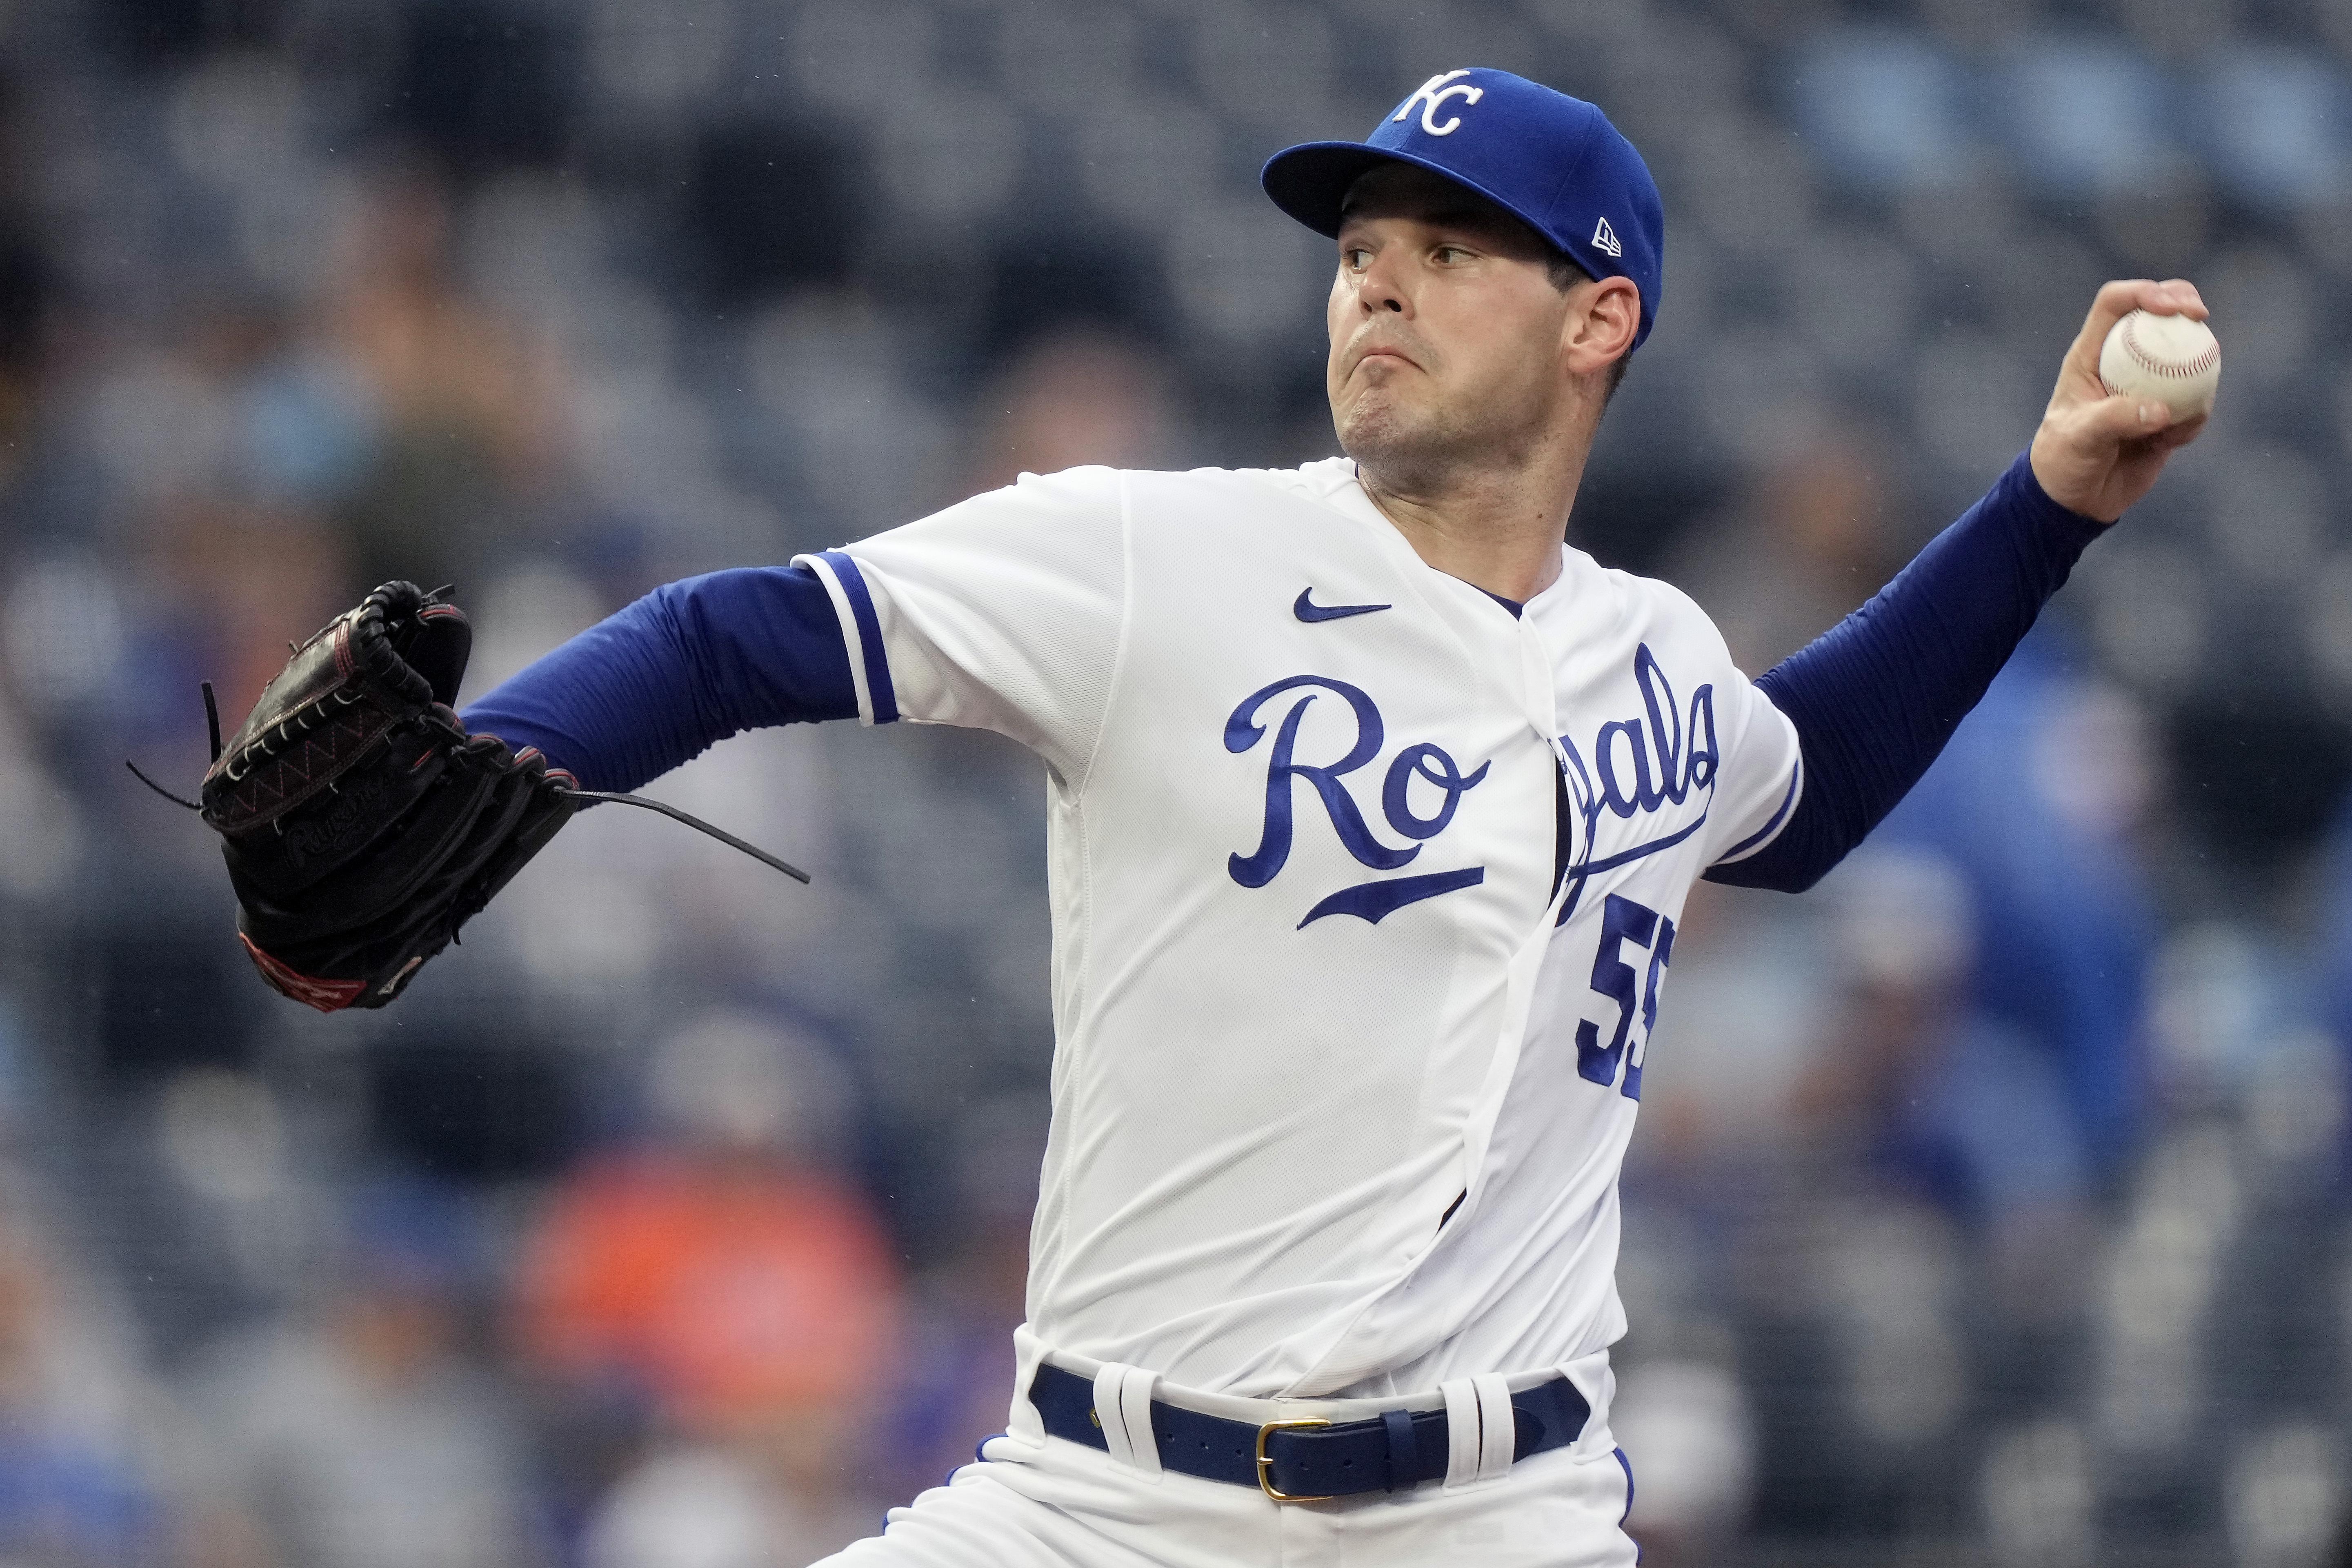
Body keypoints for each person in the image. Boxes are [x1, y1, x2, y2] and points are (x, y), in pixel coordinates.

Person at [440, 69, 2203, 1564]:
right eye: (1361, 254)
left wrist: (2046, 502)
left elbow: (1798, 793)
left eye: (1448, 252)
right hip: (1100, 1502)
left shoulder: (1649, 657)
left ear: (1601, 317)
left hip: (1497, 1511)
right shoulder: (1154, 555)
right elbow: (732, 633)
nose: (1378, 290)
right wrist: (481, 766)